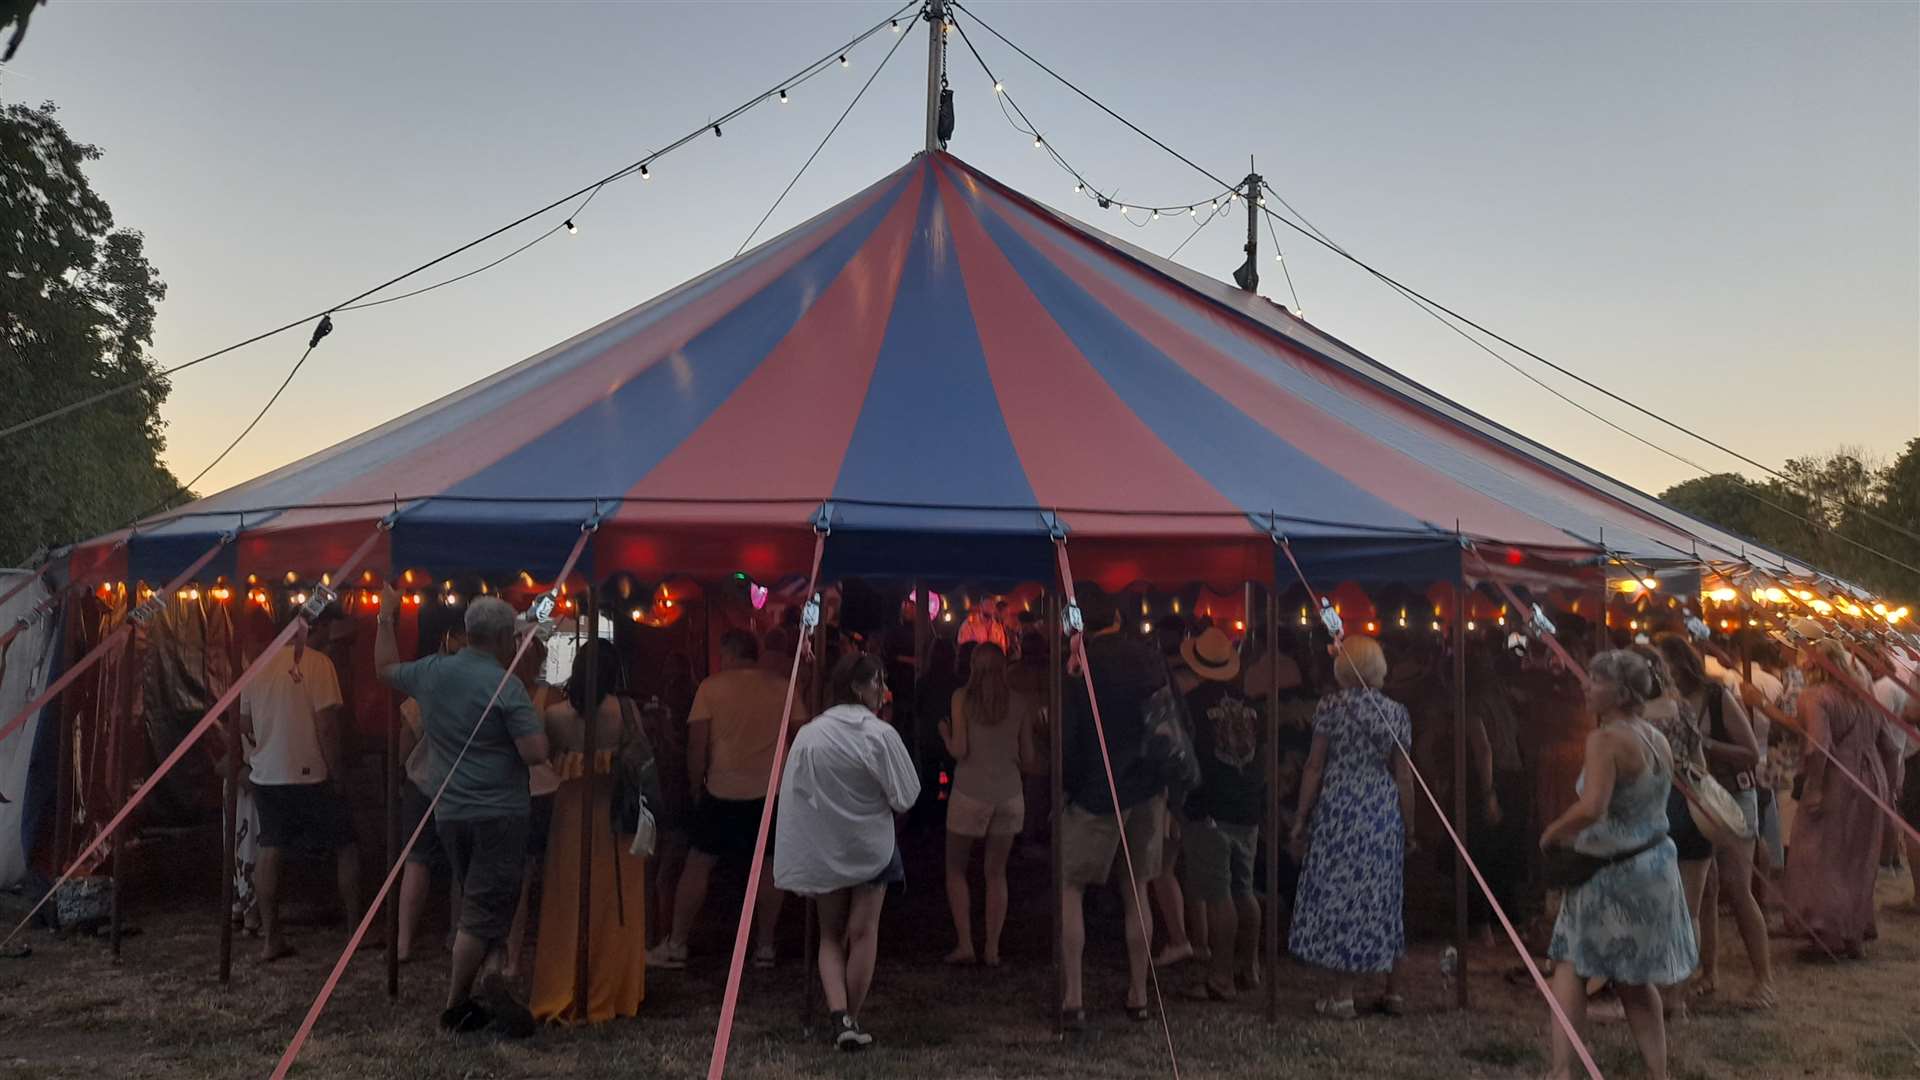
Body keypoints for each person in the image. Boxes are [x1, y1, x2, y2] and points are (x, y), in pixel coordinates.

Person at [376, 588, 548, 1037]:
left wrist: (384, 618)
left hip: (449, 808)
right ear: (507, 637)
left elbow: (384, 669)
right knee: (482, 907)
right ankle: (456, 1006)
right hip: (500, 810)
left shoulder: (433, 672)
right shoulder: (506, 684)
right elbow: (534, 752)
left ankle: (490, 972)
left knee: (480, 896)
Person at [1540, 650, 1698, 1080]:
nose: (1585, 685)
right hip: (1654, 868)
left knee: (1570, 963)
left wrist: (1554, 831)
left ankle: (1562, 1070)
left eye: (1596, 679)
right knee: (1635, 978)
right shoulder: (1656, 738)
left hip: (1610, 873)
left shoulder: (1605, 740)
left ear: (1622, 691)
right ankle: (1656, 1073)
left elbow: (1593, 806)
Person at [774, 654, 920, 1051]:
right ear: (859, 687)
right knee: (864, 930)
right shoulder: (880, 735)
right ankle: (850, 1018)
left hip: (826, 845)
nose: (883, 689)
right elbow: (906, 795)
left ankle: (841, 1018)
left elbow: (796, 793)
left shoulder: (809, 735)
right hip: (872, 845)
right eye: (878, 681)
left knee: (829, 934)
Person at [649, 629, 797, 971]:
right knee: (769, 868)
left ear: (729, 655)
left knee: (698, 864)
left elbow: (697, 744)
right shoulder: (781, 687)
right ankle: (765, 945)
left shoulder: (710, 688)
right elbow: (801, 728)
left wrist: (695, 782)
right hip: (771, 789)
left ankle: (677, 942)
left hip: (722, 788)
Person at [530, 640, 658, 1023]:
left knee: (568, 902)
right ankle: (613, 989)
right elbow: (645, 756)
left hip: (570, 818)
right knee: (614, 904)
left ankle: (563, 980)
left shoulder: (553, 715)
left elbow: (538, 751)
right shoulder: (626, 711)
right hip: (614, 818)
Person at [1059, 584, 1169, 1030]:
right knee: (1137, 887)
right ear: (1119, 619)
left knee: (1070, 885)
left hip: (1098, 790)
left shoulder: (1083, 668)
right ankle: (1139, 992)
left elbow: (1073, 735)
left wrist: (1064, 789)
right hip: (1146, 787)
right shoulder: (1148, 658)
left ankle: (1073, 997)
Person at [1288, 635, 1412, 1019]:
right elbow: (1405, 777)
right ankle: (1394, 992)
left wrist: (1299, 818)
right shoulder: (1396, 713)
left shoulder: (1330, 708)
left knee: (1341, 896)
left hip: (1340, 807)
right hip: (1381, 808)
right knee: (1385, 894)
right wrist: (1411, 827)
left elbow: (1313, 766)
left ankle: (1342, 996)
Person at [1653, 633, 1774, 1008]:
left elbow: (1751, 753)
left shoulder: (1717, 697)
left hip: (1731, 797)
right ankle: (1709, 973)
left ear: (1680, 664)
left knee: (1738, 889)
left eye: (1664, 662)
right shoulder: (1666, 705)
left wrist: (1705, 745)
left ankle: (1764, 980)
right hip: (1692, 801)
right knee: (1704, 890)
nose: (1660, 670)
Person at [237, 606, 361, 965]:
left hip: (267, 774)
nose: (331, 639)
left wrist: (264, 748)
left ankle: (272, 936)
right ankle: (356, 930)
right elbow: (327, 727)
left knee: (270, 846)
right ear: (314, 627)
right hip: (312, 774)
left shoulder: (257, 665)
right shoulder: (319, 664)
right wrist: (337, 773)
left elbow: (244, 723)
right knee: (346, 845)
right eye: (329, 631)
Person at [1784, 638, 1895, 958]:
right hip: (1873, 781)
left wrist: (1815, 787)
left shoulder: (1815, 697)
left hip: (1838, 781)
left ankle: (1829, 934)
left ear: (1814, 664)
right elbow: (1888, 746)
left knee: (1825, 856)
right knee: (1859, 857)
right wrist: (1890, 787)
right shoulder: (1865, 697)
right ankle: (1854, 932)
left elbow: (1818, 746)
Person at [1178, 626, 1266, 1001]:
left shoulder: (1192, 704)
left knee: (1218, 894)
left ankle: (1220, 976)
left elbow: (1183, 755)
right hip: (1246, 806)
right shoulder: (1252, 705)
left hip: (1209, 806)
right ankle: (1250, 968)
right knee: (1243, 890)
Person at [937, 642, 1038, 966]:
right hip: (1009, 794)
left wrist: (944, 733)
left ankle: (966, 943)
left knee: (956, 868)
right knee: (996, 873)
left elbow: (959, 750)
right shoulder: (1020, 702)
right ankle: (992, 948)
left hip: (970, 791)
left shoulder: (961, 698)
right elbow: (1029, 758)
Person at [396, 602, 468, 963]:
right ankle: (457, 936)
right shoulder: (482, 681)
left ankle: (404, 943)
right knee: (461, 864)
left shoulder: (427, 681)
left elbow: (407, 733)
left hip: (424, 780)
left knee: (418, 860)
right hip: (462, 783)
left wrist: (399, 769)